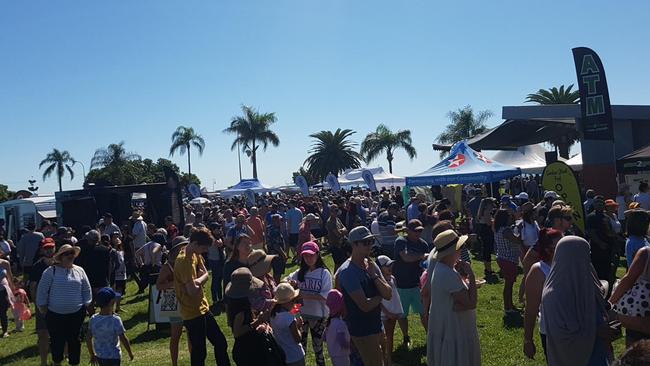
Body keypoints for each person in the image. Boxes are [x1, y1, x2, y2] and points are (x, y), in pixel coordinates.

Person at [541, 236, 614, 365]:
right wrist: (596, 332)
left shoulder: (588, 282)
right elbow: (560, 336)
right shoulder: (554, 294)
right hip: (574, 358)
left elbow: (601, 306)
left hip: (598, 354)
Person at [173, 227, 230, 366]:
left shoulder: (194, 254)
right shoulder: (184, 260)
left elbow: (205, 273)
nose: (205, 252)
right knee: (199, 352)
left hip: (203, 308)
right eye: (204, 248)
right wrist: (200, 279)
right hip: (192, 313)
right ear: (195, 244)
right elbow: (192, 290)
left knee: (220, 342)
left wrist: (199, 279)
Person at [336, 226, 392, 366]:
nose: (370, 245)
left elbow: (389, 294)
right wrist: (380, 296)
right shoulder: (347, 272)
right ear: (354, 244)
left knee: (382, 360)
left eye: (371, 241)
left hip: (376, 324)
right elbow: (365, 305)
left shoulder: (371, 265)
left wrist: (373, 276)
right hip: (361, 329)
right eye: (365, 242)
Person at [427, 229, 480, 366]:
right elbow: (471, 303)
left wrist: (463, 280)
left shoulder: (444, 269)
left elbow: (458, 300)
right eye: (460, 247)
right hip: (454, 329)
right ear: (452, 251)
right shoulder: (447, 273)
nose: (461, 250)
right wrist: (471, 276)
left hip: (450, 327)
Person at [36, 244, 93, 366]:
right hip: (55, 314)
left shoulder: (79, 270)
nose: (70, 256)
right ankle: (57, 362)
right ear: (61, 257)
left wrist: (86, 304)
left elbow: (86, 289)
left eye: (72, 253)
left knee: (75, 341)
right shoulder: (51, 271)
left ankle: (74, 363)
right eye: (67, 254)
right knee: (57, 341)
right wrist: (44, 309)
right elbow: (42, 292)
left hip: (76, 313)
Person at [286, 242, 332, 366]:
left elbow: (325, 296)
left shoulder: (324, 273)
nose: (308, 259)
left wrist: (302, 294)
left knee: (318, 348)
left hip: (318, 316)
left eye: (311, 255)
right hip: (300, 313)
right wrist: (290, 284)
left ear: (317, 255)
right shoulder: (299, 272)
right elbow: (285, 281)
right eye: (305, 256)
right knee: (301, 345)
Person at [522, 228, 563, 360]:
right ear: (547, 249)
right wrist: (528, 340)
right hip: (552, 332)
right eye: (560, 246)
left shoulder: (573, 266)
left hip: (578, 330)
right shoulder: (539, 271)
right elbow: (531, 309)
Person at [224, 267, 273, 366]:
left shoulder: (234, 304)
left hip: (245, 347)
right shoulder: (240, 310)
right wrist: (257, 322)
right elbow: (237, 332)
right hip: (247, 349)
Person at [156, 236, 191, 366]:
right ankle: (174, 363)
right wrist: (174, 283)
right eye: (182, 247)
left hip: (188, 300)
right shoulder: (167, 266)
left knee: (191, 333)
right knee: (176, 335)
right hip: (174, 303)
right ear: (175, 249)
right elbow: (158, 285)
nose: (185, 249)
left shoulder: (188, 260)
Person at [393, 219, 428, 345]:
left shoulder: (423, 244)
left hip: (417, 284)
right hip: (402, 284)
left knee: (424, 312)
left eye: (420, 231)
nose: (418, 233)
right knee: (403, 314)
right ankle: (406, 336)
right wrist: (421, 256)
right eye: (416, 231)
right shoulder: (401, 241)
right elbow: (406, 257)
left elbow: (424, 264)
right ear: (408, 231)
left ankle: (430, 336)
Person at [609, 245, 650, 345]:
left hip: (641, 314)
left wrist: (609, 303)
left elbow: (628, 280)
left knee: (636, 352)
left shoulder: (646, 253)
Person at [87, 287, 134, 366]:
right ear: (112, 302)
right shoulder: (115, 320)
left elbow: (88, 338)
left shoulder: (93, 319)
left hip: (100, 356)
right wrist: (130, 352)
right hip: (114, 357)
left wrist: (92, 354)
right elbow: (123, 338)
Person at [29, 238, 56, 365]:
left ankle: (62, 356)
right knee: (43, 334)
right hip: (43, 304)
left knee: (61, 331)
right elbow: (33, 286)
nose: (49, 250)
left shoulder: (60, 263)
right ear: (42, 249)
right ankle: (43, 362)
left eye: (51, 247)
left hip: (59, 302)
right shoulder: (37, 266)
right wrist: (37, 304)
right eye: (46, 248)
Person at [493, 209, 522, 314]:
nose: (511, 219)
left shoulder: (498, 229)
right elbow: (517, 240)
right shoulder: (506, 231)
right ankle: (508, 307)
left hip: (503, 257)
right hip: (508, 259)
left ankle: (510, 305)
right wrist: (521, 230)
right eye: (510, 217)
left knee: (509, 284)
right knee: (509, 285)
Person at [271, 282, 306, 366]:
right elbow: (297, 339)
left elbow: (294, 310)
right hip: (295, 356)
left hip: (282, 355)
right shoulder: (289, 318)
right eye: (294, 300)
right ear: (288, 301)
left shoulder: (273, 315)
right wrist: (299, 326)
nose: (295, 302)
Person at [376, 255, 403, 366]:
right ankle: (382, 361)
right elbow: (378, 302)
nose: (390, 268)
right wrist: (388, 313)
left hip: (393, 313)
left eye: (391, 265)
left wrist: (395, 311)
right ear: (380, 268)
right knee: (382, 339)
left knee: (390, 336)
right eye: (387, 266)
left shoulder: (392, 279)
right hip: (384, 314)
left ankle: (389, 361)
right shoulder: (377, 282)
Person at [325, 289, 351, 366]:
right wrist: (352, 346)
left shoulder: (329, 322)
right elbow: (342, 343)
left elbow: (324, 338)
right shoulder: (340, 324)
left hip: (333, 354)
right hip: (341, 355)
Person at [476, 197, 497, 279]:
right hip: (487, 230)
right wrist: (494, 220)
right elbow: (489, 223)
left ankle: (487, 268)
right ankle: (488, 269)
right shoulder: (487, 212)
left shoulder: (481, 212)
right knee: (487, 249)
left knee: (485, 248)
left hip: (483, 230)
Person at [266, 214, 288, 283]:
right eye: (279, 220)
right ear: (275, 221)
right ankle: (277, 286)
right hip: (277, 255)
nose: (281, 222)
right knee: (277, 273)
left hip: (272, 254)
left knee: (276, 272)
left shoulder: (269, 228)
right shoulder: (275, 230)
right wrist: (283, 254)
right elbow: (276, 245)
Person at [326, 204, 348, 270]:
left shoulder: (337, 219)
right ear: (331, 211)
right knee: (338, 264)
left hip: (341, 244)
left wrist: (342, 230)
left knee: (343, 261)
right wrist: (342, 231)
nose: (336, 212)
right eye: (334, 210)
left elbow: (345, 228)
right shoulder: (330, 221)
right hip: (335, 245)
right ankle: (336, 278)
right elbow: (338, 234)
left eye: (337, 210)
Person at [0, 258, 14, 338]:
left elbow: (10, 278)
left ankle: (5, 331)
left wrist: (13, 290)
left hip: (3, 290)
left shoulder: (5, 263)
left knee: (3, 311)